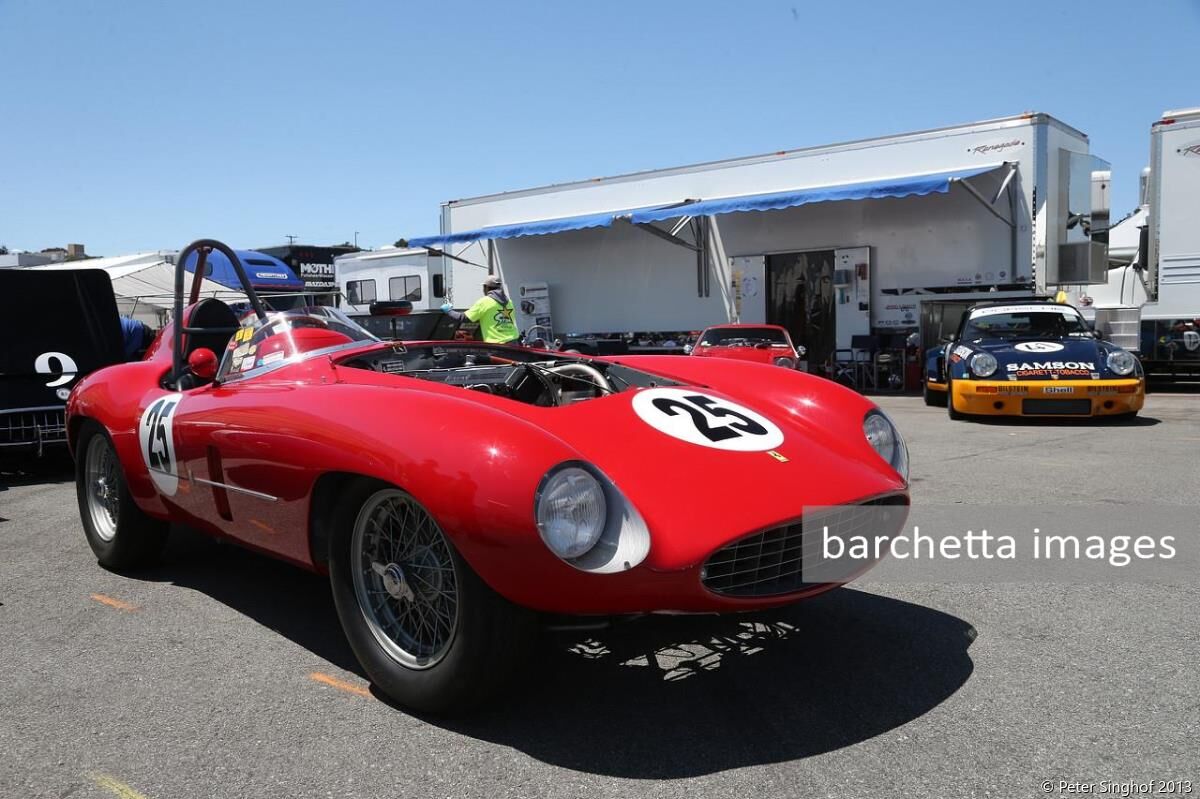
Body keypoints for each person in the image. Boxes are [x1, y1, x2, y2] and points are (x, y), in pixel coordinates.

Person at [440, 275, 519, 344]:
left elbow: (464, 318)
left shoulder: (484, 302)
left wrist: (449, 311)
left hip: (498, 345)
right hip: (514, 342)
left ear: (486, 287)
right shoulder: (509, 302)